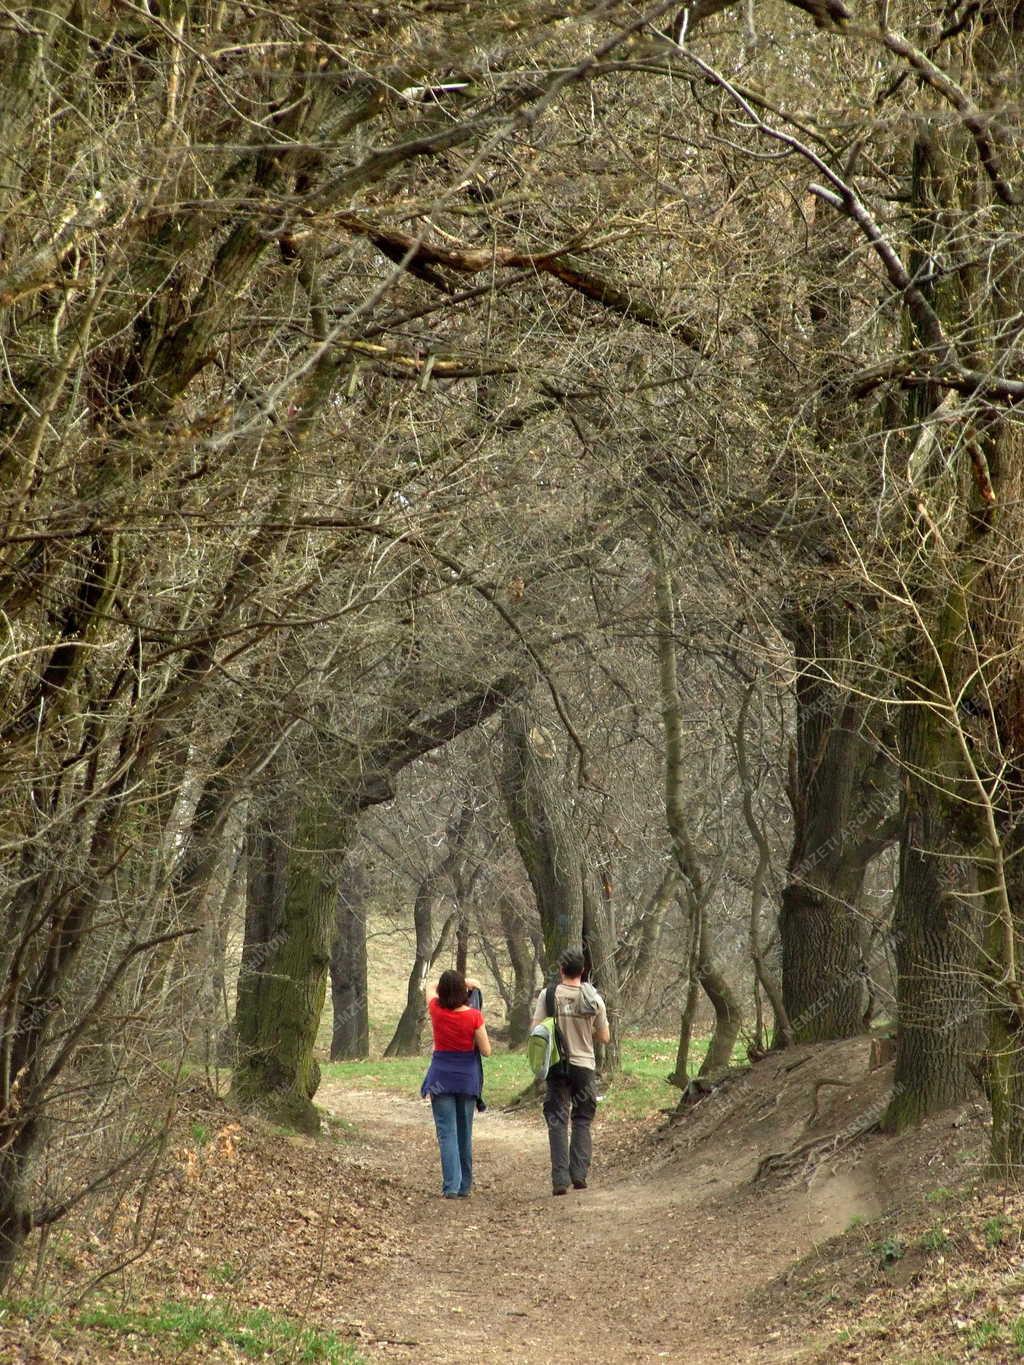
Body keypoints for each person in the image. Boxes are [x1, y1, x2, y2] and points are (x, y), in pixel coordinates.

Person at [532, 948, 609, 1196]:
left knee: (557, 1119)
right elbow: (605, 1036)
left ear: (561, 969)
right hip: (584, 1066)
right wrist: (586, 1032)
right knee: (582, 1119)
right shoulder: (594, 999)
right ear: (583, 971)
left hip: (557, 1064)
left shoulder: (548, 995)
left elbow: (536, 1030)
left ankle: (560, 1179)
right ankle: (579, 1174)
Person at [420, 969, 491, 1199]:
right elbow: (486, 1051)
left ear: (442, 991)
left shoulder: (436, 1009)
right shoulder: (474, 1017)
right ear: (463, 991)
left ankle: (451, 1185)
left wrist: (457, 983)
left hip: (441, 1078)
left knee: (447, 1132)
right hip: (467, 1079)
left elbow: (429, 986)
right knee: (464, 1131)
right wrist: (469, 982)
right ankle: (465, 1185)